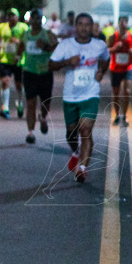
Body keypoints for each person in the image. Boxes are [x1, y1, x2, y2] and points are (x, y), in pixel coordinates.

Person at [48, 13, 110, 183]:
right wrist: (67, 61)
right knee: (71, 133)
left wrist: (101, 72)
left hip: (90, 94)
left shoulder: (99, 45)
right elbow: (51, 64)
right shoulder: (66, 45)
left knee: (86, 131)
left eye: (87, 24)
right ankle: (75, 152)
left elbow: (106, 59)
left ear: (92, 27)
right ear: (75, 26)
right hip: (70, 96)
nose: (84, 27)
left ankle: (82, 169)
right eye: (80, 24)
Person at [21, 8, 59, 144]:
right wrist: (17, 57)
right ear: (30, 20)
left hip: (45, 73)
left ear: (41, 20)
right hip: (29, 72)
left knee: (45, 103)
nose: (36, 21)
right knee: (30, 103)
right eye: (33, 18)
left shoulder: (48, 34)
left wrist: (46, 47)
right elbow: (21, 49)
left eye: (38, 18)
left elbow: (58, 49)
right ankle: (30, 132)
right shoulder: (25, 35)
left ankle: (43, 118)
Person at [0, 8, 27, 119]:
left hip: (19, 60)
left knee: (19, 85)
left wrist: (18, 42)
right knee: (5, 82)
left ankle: (19, 102)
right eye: (10, 15)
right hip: (5, 59)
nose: (11, 17)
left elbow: (28, 40)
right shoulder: (2, 27)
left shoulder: (23, 27)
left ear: (18, 17)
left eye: (14, 15)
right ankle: (5, 107)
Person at [107, 15, 132, 125]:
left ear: (127, 23)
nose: (123, 24)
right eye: (121, 22)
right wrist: (115, 48)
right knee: (116, 93)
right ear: (118, 23)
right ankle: (116, 115)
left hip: (128, 67)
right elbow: (107, 50)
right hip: (115, 68)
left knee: (127, 92)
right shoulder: (112, 36)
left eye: (125, 22)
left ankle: (124, 116)